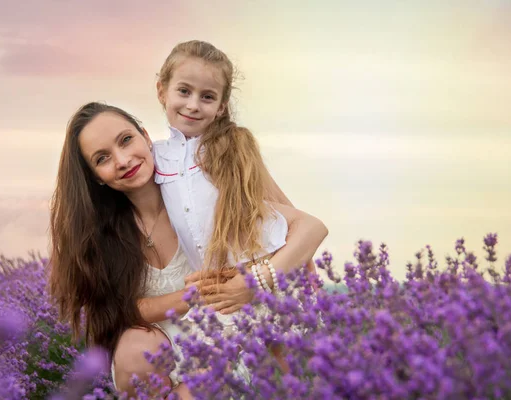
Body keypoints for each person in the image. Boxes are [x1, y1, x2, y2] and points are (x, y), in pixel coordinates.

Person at [48, 102, 327, 398]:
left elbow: (304, 228)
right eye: (102, 158)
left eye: (126, 140)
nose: (122, 160)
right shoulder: (101, 232)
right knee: (132, 353)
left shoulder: (202, 181)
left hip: (232, 327)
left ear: (145, 135)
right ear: (95, 176)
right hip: (172, 336)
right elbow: (120, 311)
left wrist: (259, 281)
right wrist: (196, 295)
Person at [153, 39, 321, 314]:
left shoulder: (232, 147)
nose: (193, 105)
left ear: (221, 106)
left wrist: (305, 262)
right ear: (162, 91)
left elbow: (281, 204)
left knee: (283, 351)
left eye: (207, 96)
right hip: (220, 293)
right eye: (184, 91)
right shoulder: (155, 157)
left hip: (267, 276)